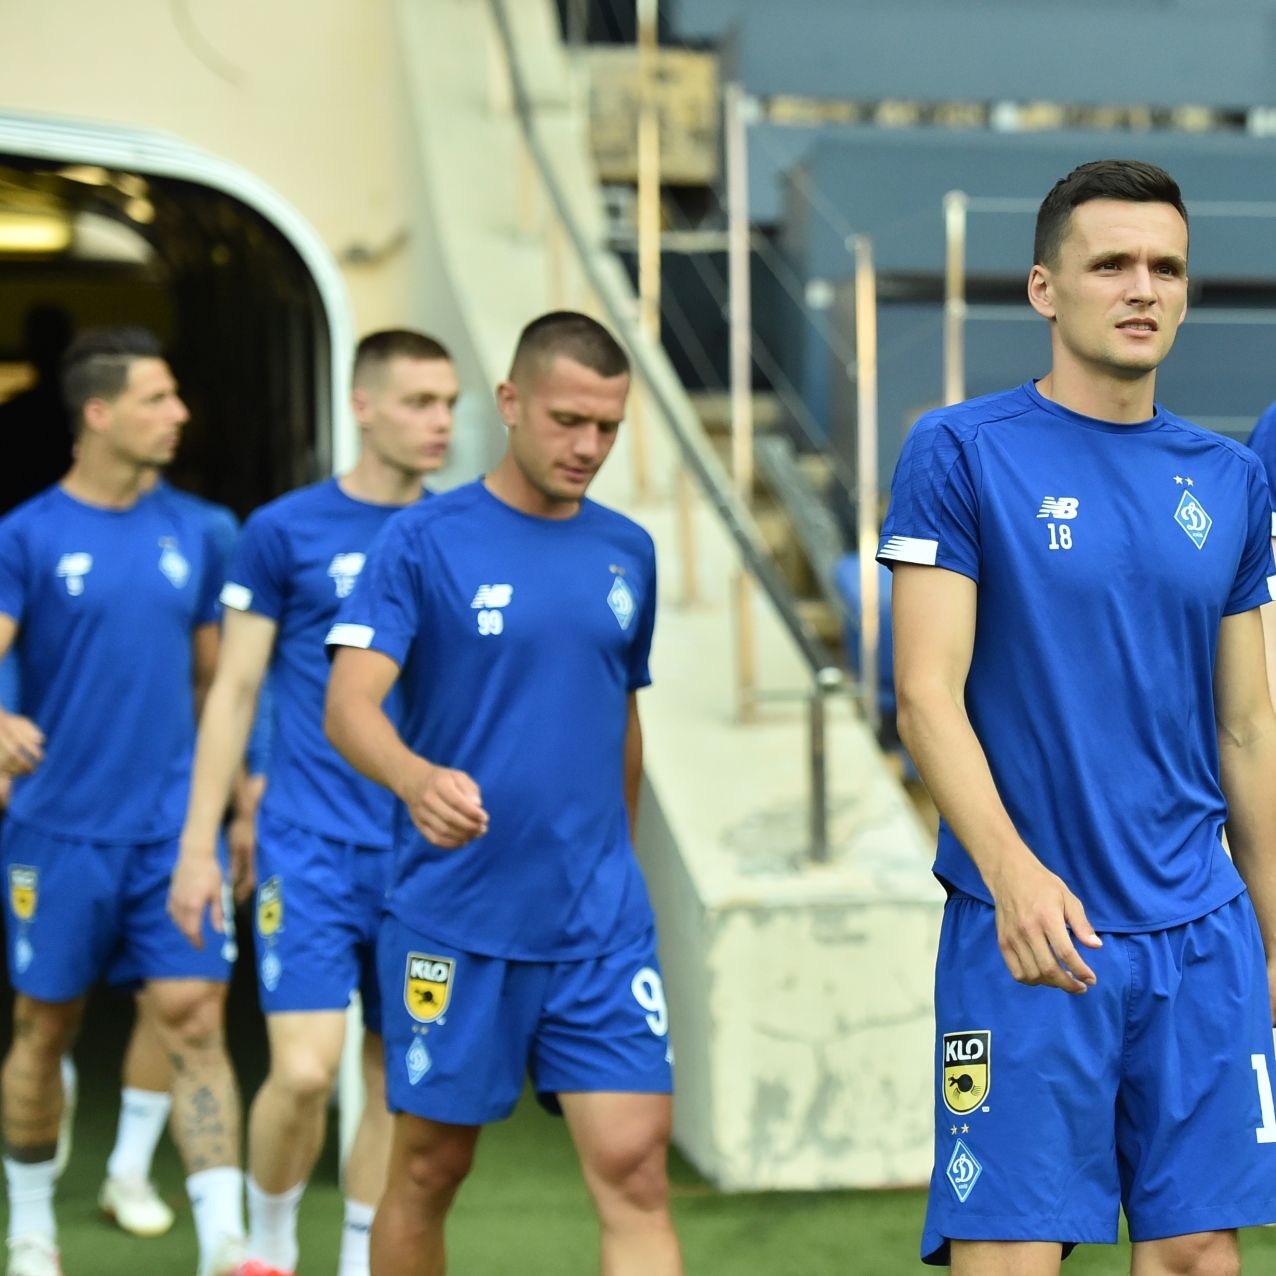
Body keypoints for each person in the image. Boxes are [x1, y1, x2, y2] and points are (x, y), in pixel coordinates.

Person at [877, 159, 1276, 1274]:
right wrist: (1010, 873)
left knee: (1199, 1253)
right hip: (1032, 930)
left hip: (1201, 934)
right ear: (1045, 288)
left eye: (1166, 267)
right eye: (1111, 264)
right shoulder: (957, 451)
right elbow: (924, 695)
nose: (1142, 287)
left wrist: (1273, 928)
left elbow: (1246, 727)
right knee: (1010, 1257)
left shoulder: (1230, 479)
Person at [324, 310, 682, 1276]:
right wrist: (413, 776)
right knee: (431, 1168)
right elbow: (349, 706)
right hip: (454, 920)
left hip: (600, 927)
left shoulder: (629, 551)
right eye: (568, 420)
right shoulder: (420, 540)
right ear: (512, 404)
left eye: (608, 426)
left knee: (637, 1169)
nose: (589, 446)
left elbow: (622, 718)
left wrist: (619, 867)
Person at [169, 329, 461, 1276]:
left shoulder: (459, 531)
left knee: (391, 1078)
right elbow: (234, 694)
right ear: (363, 404)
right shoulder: (283, 530)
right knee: (303, 1071)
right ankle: (266, 1246)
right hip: (307, 845)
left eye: (450, 403)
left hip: (421, 855)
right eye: (419, 401)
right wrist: (198, 845)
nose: (441, 423)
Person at [0, 327, 250, 1276]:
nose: (179, 413)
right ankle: (30, 1225)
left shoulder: (203, 530)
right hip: (55, 833)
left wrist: (227, 811)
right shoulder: (25, 536)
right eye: (158, 398)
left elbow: (219, 690)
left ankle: (226, 1246)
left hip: (167, 837)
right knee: (46, 1024)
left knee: (193, 1012)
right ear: (98, 415)